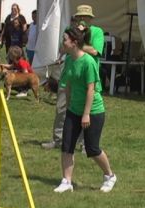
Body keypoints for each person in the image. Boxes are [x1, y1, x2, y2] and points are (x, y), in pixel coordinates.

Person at [53, 26, 116, 193]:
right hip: (74, 109)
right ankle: (66, 181)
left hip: (93, 111)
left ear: (74, 43)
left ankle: (109, 176)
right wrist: (68, 107)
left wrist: (86, 114)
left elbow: (91, 89)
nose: (62, 42)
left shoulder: (88, 62)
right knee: (67, 145)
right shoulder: (68, 60)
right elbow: (67, 85)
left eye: (64, 39)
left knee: (92, 148)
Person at [42, 5, 104, 150]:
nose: (81, 20)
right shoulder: (69, 31)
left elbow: (95, 51)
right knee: (61, 107)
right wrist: (68, 48)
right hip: (69, 74)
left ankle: (83, 143)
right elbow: (63, 48)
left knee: (84, 110)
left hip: (86, 76)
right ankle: (57, 140)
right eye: (79, 17)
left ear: (90, 18)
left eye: (85, 17)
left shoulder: (97, 32)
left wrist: (77, 43)